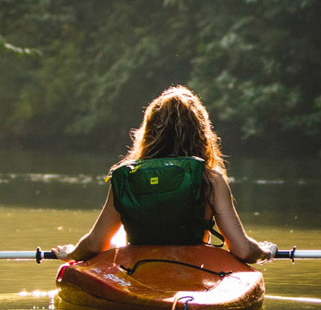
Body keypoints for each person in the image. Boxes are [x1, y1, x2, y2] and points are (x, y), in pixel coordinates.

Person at [52, 85, 277, 263]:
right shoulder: (210, 180)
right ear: (200, 133)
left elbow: (94, 244)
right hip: (194, 270)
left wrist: (72, 253)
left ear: (149, 131)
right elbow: (242, 250)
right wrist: (265, 251)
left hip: (138, 271)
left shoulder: (127, 178)